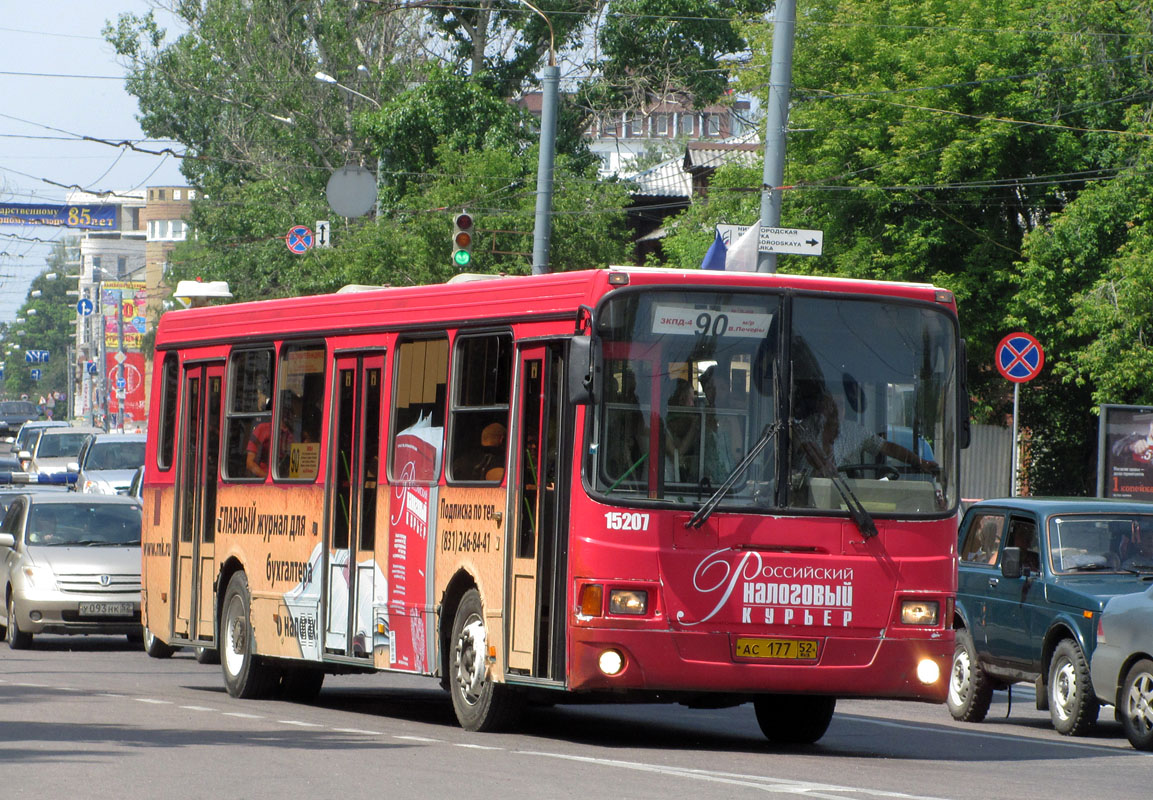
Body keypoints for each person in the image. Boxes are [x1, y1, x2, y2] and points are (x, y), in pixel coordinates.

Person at [246, 408, 294, 478]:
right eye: (284, 421)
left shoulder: (288, 435)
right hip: (261, 481)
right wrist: (268, 478)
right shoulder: (262, 429)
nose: (285, 428)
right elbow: (249, 463)